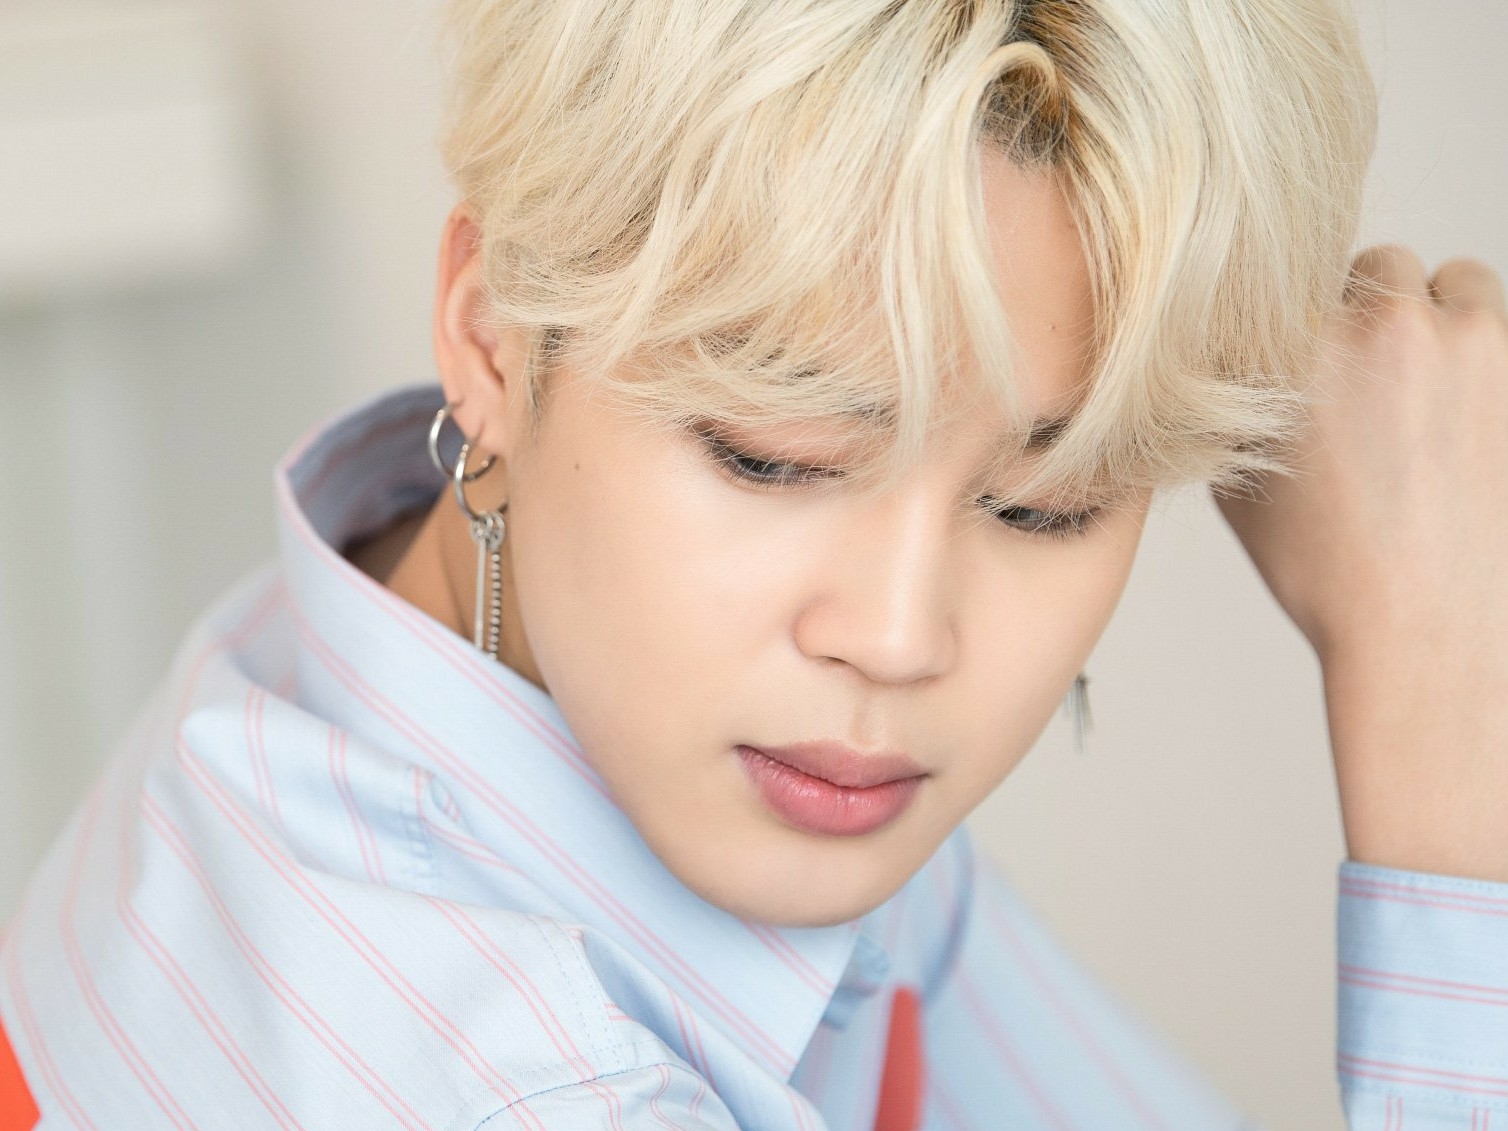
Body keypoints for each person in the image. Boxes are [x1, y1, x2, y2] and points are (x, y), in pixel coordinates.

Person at [2, 0, 1505, 1127]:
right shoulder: (530, 1085)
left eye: (1045, 507)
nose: (900, 636)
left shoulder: (381, 645)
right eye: (774, 457)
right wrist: (1438, 706)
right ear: (495, 335)